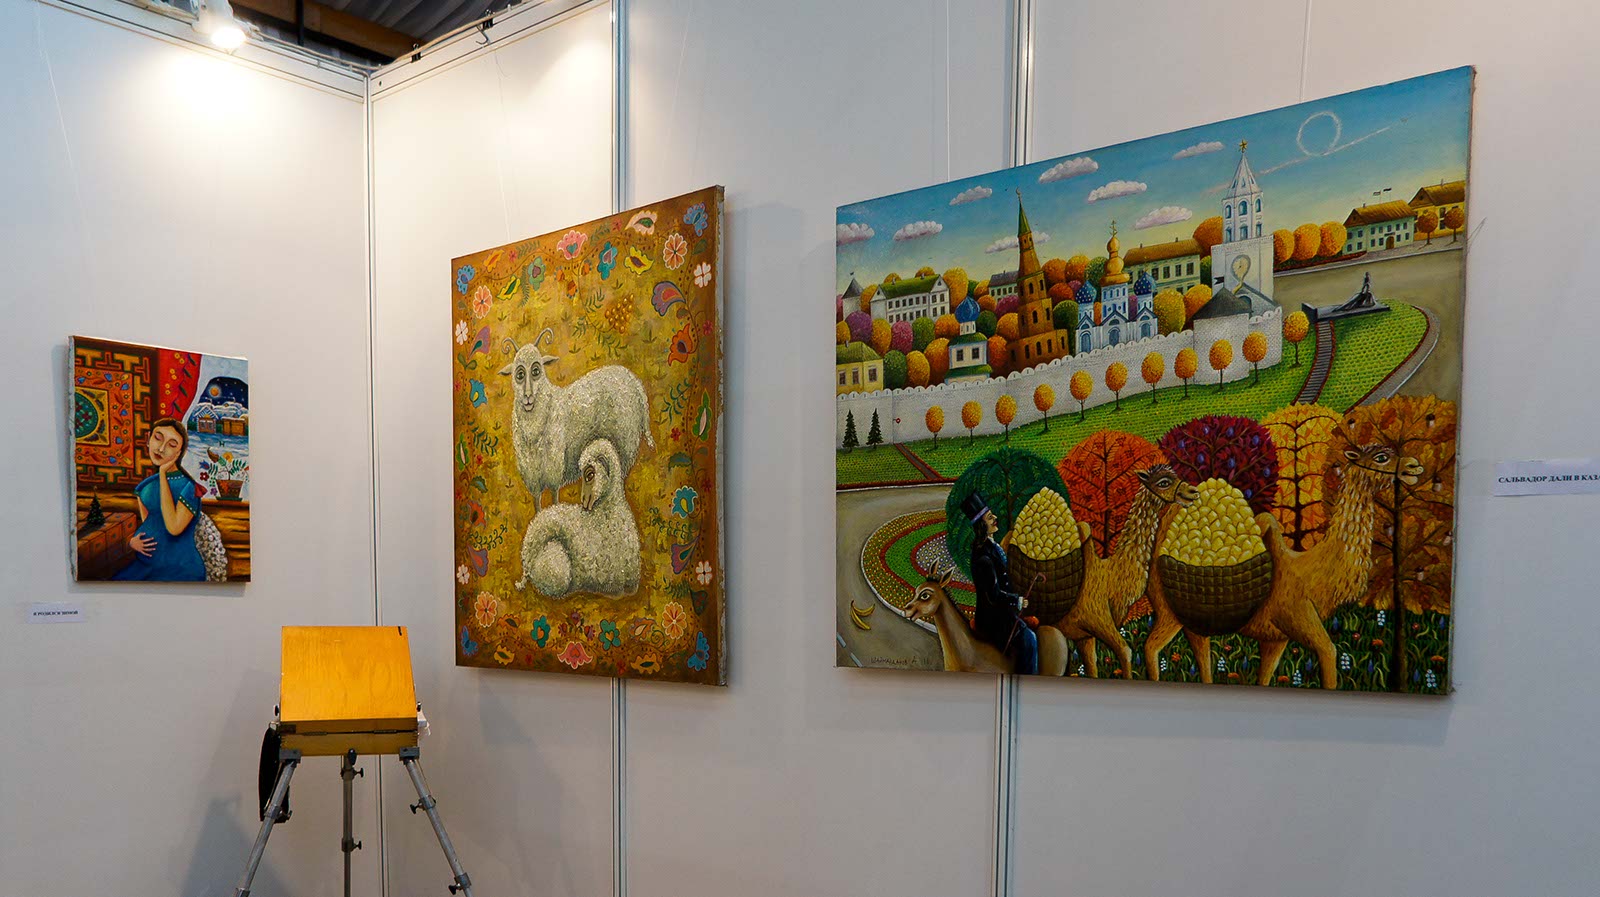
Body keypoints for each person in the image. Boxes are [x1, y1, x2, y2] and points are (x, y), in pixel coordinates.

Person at [113, 417, 206, 581]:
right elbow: (150, 524)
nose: (161, 448)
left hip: (180, 569)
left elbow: (173, 528)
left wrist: (163, 474)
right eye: (157, 438)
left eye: (172, 445)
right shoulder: (145, 486)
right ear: (148, 439)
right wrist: (132, 542)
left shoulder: (189, 488)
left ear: (179, 453)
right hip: (145, 566)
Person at [963, 492, 1039, 675]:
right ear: (982, 525)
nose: (995, 518)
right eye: (990, 518)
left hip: (1002, 613)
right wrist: (1016, 601)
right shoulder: (983, 556)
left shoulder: (992, 547)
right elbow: (993, 594)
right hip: (993, 618)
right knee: (1029, 640)